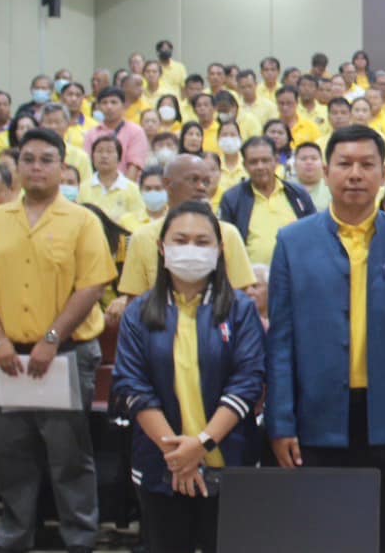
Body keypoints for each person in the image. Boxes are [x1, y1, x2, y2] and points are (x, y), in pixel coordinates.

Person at [266, 125, 385, 553]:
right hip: (317, 417)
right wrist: (281, 422)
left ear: (383, 173)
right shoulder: (292, 241)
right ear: (327, 172)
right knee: (322, 538)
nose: (356, 174)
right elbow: (281, 342)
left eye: (367, 164)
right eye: (345, 164)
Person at [0, 129, 117, 553]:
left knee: (70, 456)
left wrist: (51, 338)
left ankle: (79, 538)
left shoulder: (82, 220)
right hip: (7, 356)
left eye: (46, 160)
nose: (36, 167)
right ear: (17, 166)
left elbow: (92, 285)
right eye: (28, 159)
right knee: (11, 454)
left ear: (62, 167)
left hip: (66, 354)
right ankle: (14, 536)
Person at [112, 202, 266, 553]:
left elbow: (248, 382)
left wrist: (201, 444)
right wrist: (178, 456)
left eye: (202, 241)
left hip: (229, 463)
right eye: (181, 240)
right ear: (162, 248)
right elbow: (132, 386)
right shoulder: (138, 313)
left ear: (220, 250)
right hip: (161, 464)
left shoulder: (241, 310)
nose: (191, 249)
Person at [111, 155, 256, 319]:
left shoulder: (228, 234)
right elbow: (134, 305)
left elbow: (241, 299)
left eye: (206, 182)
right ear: (167, 184)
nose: (201, 187)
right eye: (193, 180)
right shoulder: (143, 238)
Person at [219, 137, 316, 266]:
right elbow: (226, 244)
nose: (260, 166)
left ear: (276, 161)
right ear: (245, 165)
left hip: (296, 272)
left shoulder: (297, 194)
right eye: (253, 162)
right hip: (250, 276)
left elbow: (314, 235)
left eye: (265, 160)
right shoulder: (232, 199)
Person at [83, 86, 151, 179]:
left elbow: (134, 166)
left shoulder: (136, 131)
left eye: (114, 102)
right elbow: (87, 164)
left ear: (124, 105)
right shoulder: (91, 134)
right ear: (98, 107)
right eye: (104, 103)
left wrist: (122, 187)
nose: (109, 107)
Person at [80, 135, 144, 225]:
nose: (104, 156)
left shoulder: (132, 189)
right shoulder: (83, 188)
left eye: (109, 151)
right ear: (92, 157)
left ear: (119, 158)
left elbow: (138, 219)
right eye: (99, 151)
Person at [290, 142, 332, 211]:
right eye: (303, 159)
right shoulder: (286, 188)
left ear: (322, 164)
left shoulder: (333, 188)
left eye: (314, 158)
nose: (309, 162)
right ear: (294, 165)